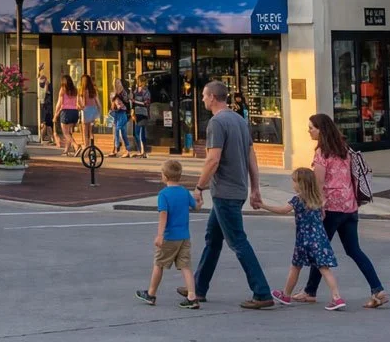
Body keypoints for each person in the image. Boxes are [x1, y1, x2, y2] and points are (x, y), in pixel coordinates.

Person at [181, 80, 271, 308]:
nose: (202, 99)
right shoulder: (239, 120)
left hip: (225, 192)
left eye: (203, 95)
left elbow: (213, 159)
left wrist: (199, 187)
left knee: (238, 241)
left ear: (212, 97)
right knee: (213, 239)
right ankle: (198, 287)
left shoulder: (217, 123)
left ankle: (262, 292)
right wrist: (255, 187)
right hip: (237, 189)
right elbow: (252, 156)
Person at [292, 113, 387, 308]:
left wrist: (318, 206)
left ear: (321, 130)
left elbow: (318, 183)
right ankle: (378, 289)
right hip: (350, 206)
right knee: (354, 250)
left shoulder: (322, 153)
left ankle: (310, 291)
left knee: (318, 248)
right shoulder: (344, 149)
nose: (308, 131)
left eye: (311, 127)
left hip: (331, 208)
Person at [260, 168, 345, 311]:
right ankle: (337, 297)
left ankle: (286, 294)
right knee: (324, 268)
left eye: (294, 181)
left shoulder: (297, 199)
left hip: (304, 240)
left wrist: (263, 205)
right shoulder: (318, 199)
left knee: (296, 266)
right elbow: (322, 217)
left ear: (301, 184)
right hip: (320, 239)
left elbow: (282, 210)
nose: (293, 184)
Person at [135, 159, 200, 309]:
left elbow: (163, 214)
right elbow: (195, 206)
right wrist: (199, 202)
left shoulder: (163, 194)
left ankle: (151, 294)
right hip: (184, 236)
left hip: (170, 236)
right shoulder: (184, 192)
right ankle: (192, 296)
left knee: (159, 264)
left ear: (164, 176)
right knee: (186, 266)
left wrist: (160, 234)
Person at [52, 74, 81, 156]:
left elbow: (59, 103)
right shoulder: (75, 90)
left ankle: (76, 145)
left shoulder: (63, 89)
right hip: (75, 112)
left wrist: (55, 114)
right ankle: (66, 151)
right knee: (69, 133)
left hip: (66, 112)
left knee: (65, 133)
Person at [107, 78, 132, 157]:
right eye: (115, 83)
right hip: (115, 113)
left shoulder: (124, 92)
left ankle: (117, 145)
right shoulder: (112, 93)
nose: (117, 84)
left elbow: (127, 101)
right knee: (121, 132)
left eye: (118, 82)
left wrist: (129, 96)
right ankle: (124, 150)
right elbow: (112, 103)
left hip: (122, 113)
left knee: (117, 129)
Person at [78, 74, 100, 151]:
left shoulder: (81, 90)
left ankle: (86, 146)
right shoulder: (93, 90)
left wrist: (80, 107)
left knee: (85, 130)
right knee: (91, 131)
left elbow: (81, 104)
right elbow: (98, 102)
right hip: (93, 110)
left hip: (85, 110)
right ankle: (92, 146)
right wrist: (99, 111)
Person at [132, 75, 151, 158]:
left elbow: (147, 103)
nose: (138, 82)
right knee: (136, 133)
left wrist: (136, 101)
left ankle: (143, 151)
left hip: (143, 113)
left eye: (139, 81)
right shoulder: (135, 90)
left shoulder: (146, 91)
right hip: (136, 113)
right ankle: (141, 150)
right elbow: (132, 100)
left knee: (141, 133)